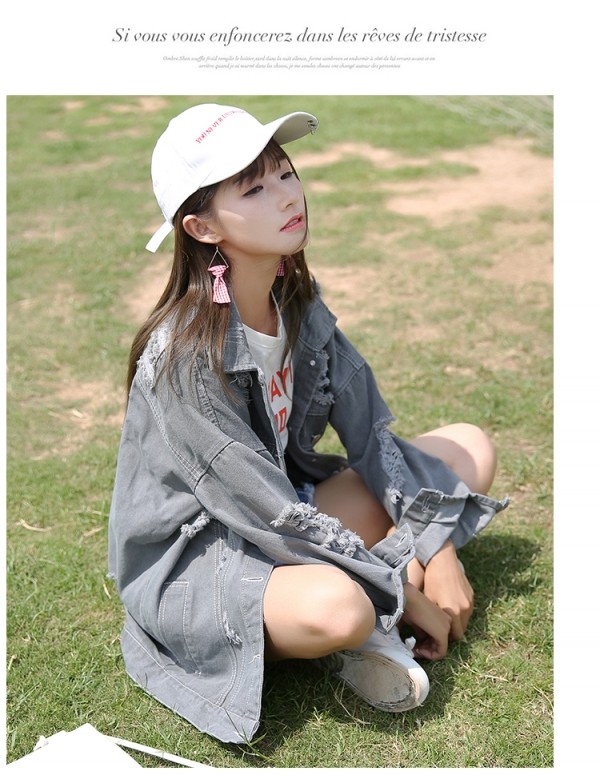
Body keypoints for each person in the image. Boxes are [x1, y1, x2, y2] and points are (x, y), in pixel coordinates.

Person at [108, 102, 509, 744]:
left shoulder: (295, 300)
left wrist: (438, 553)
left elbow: (371, 435)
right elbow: (267, 514)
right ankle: (364, 616)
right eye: (254, 189)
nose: (288, 195)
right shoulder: (185, 361)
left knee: (469, 447)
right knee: (338, 607)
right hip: (204, 556)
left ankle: (373, 596)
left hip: (286, 513)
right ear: (202, 227)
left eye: (285, 173)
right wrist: (407, 590)